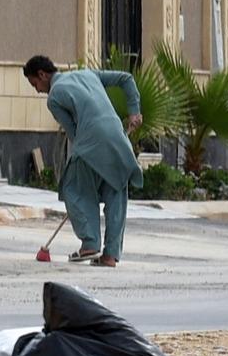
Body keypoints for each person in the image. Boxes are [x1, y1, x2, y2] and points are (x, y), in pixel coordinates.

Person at [24, 53, 142, 267]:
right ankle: (110, 255)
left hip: (89, 140)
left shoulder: (54, 97)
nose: (37, 90)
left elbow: (73, 132)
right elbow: (126, 78)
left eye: (35, 84)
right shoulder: (88, 74)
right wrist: (134, 111)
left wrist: (82, 155)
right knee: (116, 190)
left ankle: (90, 243)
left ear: (42, 74)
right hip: (117, 137)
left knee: (74, 189)